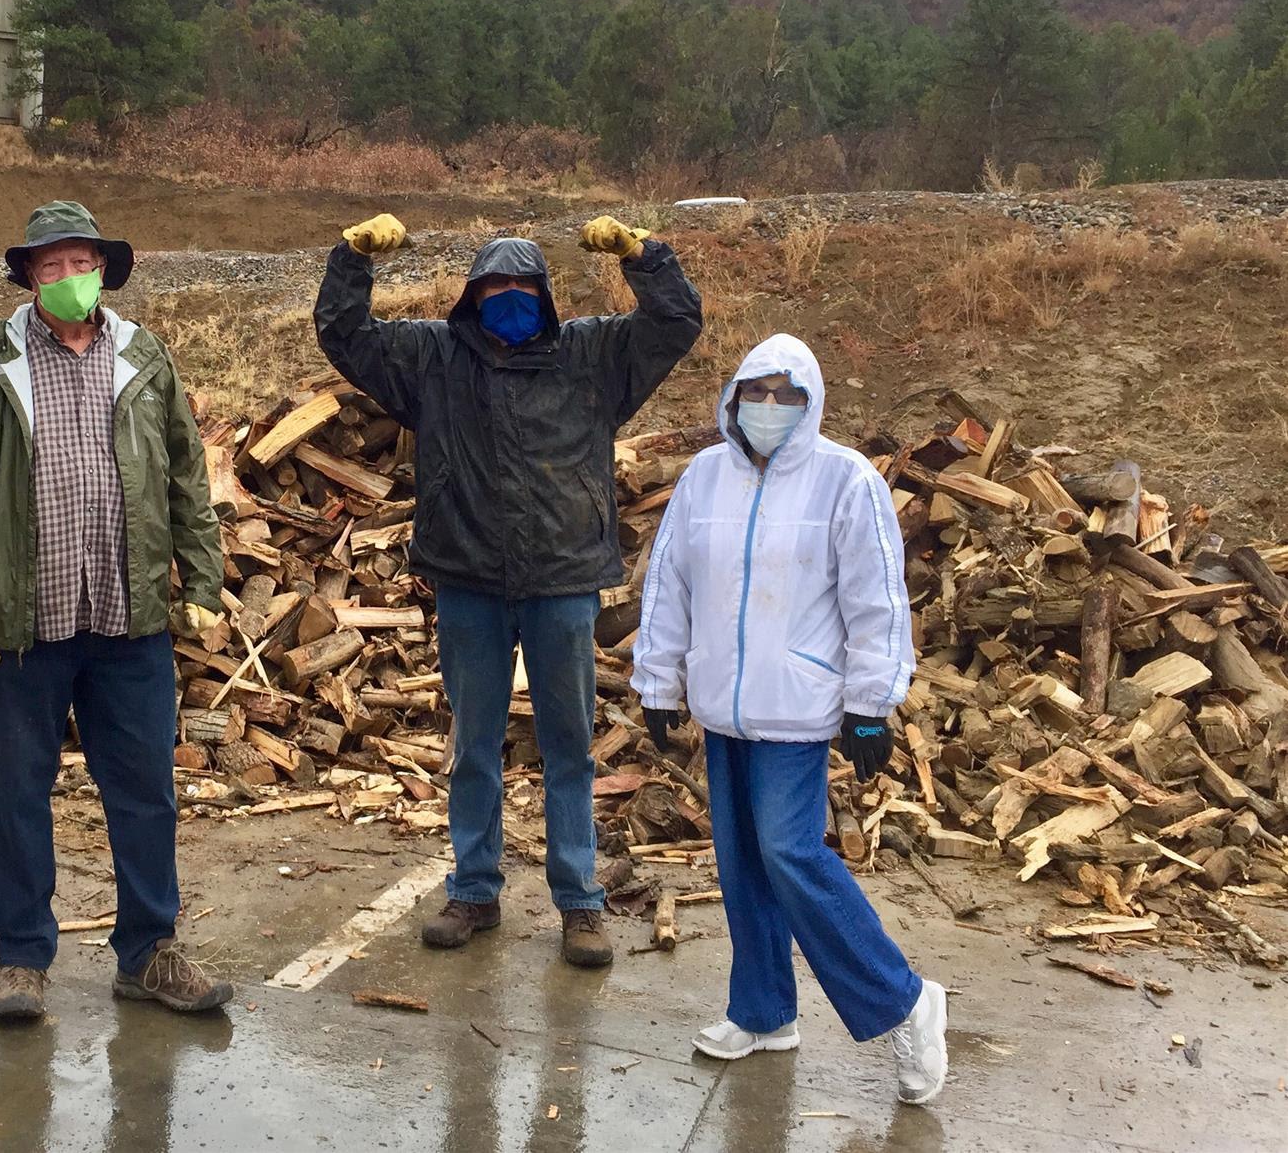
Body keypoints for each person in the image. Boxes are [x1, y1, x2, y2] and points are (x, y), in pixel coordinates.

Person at [315, 212, 702, 968]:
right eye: (494, 287)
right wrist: (351, 261)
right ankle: (474, 889)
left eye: (523, 287)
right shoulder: (434, 359)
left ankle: (580, 902)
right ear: (472, 296)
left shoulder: (593, 355)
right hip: (470, 579)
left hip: (562, 581)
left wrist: (643, 256)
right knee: (474, 746)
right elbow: (347, 336)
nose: (509, 298)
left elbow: (676, 321)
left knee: (569, 747)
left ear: (546, 295)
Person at [0, 200, 232, 1022]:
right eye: (51, 265)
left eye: (81, 262)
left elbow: (186, 476)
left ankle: (149, 950)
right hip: (22, 627)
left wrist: (202, 581)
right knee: (17, 794)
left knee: (144, 791)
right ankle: (23, 957)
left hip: (128, 621)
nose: (68, 277)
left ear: (103, 270)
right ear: (29, 275)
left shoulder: (144, 356)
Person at [631, 332, 948, 1105]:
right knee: (742, 859)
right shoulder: (705, 477)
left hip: (798, 706)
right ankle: (764, 1011)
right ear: (734, 397)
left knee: (788, 852)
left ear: (810, 404)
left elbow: (876, 599)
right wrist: (658, 680)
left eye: (786, 395)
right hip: (723, 704)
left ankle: (905, 1001)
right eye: (757, 392)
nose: (769, 407)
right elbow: (670, 582)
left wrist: (870, 704)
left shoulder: (845, 480)